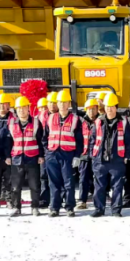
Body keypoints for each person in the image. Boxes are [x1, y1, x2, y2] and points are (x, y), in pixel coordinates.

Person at [89, 94, 130, 217]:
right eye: (107, 106)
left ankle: (116, 210)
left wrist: (126, 156)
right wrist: (93, 156)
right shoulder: (98, 121)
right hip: (100, 159)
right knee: (99, 186)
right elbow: (92, 139)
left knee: (117, 186)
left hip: (117, 160)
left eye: (111, 106)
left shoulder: (124, 122)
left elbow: (129, 141)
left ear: (116, 107)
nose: (109, 109)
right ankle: (99, 209)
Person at [44, 89, 84, 217]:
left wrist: (77, 156)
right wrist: (47, 152)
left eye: (65, 102)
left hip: (68, 155)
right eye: (60, 102)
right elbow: (44, 137)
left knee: (69, 182)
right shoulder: (50, 118)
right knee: (53, 183)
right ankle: (54, 208)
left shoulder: (75, 119)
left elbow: (80, 140)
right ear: (57, 103)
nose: (62, 105)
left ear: (69, 104)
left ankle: (69, 207)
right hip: (52, 154)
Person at [7, 97, 46, 216]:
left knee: (34, 185)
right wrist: (7, 156)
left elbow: (41, 140)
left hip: (32, 158)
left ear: (28, 108)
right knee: (16, 186)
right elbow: (8, 142)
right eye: (19, 108)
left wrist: (41, 155)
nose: (21, 110)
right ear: (16, 110)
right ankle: (16, 207)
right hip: (17, 159)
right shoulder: (11, 123)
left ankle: (35, 207)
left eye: (23, 107)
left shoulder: (36, 123)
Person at [76, 97, 100, 210]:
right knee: (83, 178)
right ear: (86, 110)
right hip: (84, 154)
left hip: (97, 154)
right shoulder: (80, 122)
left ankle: (98, 200)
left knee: (99, 178)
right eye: (89, 109)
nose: (91, 111)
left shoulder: (101, 121)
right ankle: (82, 201)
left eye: (93, 108)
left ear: (97, 109)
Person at [35, 96, 51, 208]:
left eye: (45, 107)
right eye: (41, 107)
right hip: (40, 151)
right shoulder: (35, 120)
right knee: (43, 176)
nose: (43, 110)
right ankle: (44, 198)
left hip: (51, 150)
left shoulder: (52, 118)